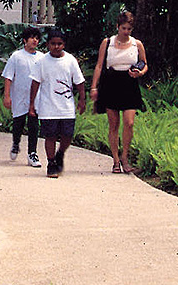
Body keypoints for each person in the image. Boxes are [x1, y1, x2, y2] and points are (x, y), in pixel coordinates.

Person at [91, 10, 148, 174]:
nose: (126, 32)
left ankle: (125, 157)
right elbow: (99, 65)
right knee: (114, 124)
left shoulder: (137, 44)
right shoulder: (107, 42)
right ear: (117, 27)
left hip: (129, 83)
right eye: (123, 28)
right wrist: (94, 87)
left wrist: (140, 73)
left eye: (129, 29)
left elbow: (144, 63)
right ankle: (115, 160)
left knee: (129, 123)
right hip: (111, 83)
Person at [27, 29, 87, 178]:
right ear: (47, 44)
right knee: (50, 137)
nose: (56, 47)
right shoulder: (41, 62)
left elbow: (79, 82)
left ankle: (60, 154)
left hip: (66, 107)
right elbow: (35, 83)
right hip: (48, 107)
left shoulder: (70, 60)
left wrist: (82, 99)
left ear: (64, 44)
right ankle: (51, 162)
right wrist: (31, 104)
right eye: (53, 44)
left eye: (59, 44)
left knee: (67, 135)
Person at [1, 27, 44, 168]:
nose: (35, 40)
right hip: (19, 96)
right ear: (25, 40)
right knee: (18, 123)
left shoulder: (42, 57)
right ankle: (15, 143)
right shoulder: (16, 57)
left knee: (33, 125)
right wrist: (7, 96)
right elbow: (8, 77)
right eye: (32, 38)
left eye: (37, 38)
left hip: (36, 99)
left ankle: (32, 153)